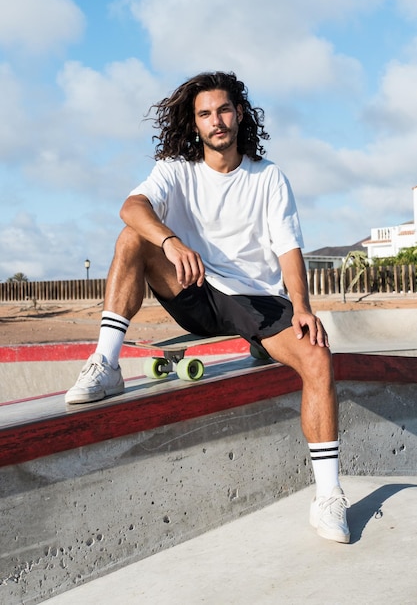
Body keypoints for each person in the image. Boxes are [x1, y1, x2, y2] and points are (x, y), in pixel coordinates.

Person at [65, 71, 350, 543]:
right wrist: (171, 240)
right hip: (194, 292)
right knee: (133, 235)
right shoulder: (176, 169)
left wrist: (301, 305)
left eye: (223, 110)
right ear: (194, 124)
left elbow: (287, 249)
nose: (215, 121)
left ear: (239, 114)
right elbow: (131, 206)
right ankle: (106, 363)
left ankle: (327, 496)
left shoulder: (268, 176)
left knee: (318, 358)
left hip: (257, 299)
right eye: (204, 114)